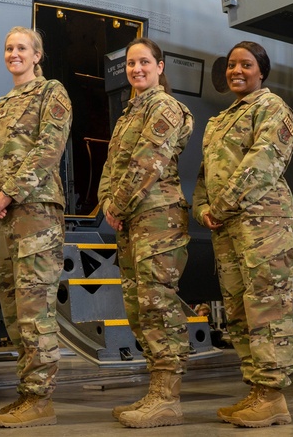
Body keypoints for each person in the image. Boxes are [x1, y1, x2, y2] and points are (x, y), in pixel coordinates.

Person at [192, 40, 293, 428]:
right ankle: (257, 390)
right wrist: (202, 208)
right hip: (228, 228)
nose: (236, 71)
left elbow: (262, 164)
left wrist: (218, 207)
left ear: (261, 71)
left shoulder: (273, 110)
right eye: (232, 65)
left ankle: (273, 395)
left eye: (246, 65)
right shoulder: (219, 122)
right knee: (238, 311)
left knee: (266, 308)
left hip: (264, 225)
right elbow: (205, 175)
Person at [0, 27, 72, 428]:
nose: (13, 54)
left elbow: (49, 148)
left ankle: (40, 400)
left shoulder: (52, 92)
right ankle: (25, 395)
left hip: (37, 213)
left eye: (21, 49)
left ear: (37, 56)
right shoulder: (1, 106)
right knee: (15, 313)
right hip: (3, 219)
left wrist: (8, 193)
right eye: (8, 49)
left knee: (36, 311)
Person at [98, 37, 194, 429]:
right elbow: (112, 165)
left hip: (158, 219)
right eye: (132, 64)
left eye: (144, 62)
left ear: (160, 67)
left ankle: (168, 398)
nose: (137, 69)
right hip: (133, 220)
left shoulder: (164, 107)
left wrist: (117, 205)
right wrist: (107, 200)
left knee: (158, 305)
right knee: (139, 307)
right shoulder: (128, 113)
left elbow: (147, 163)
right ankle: (157, 391)